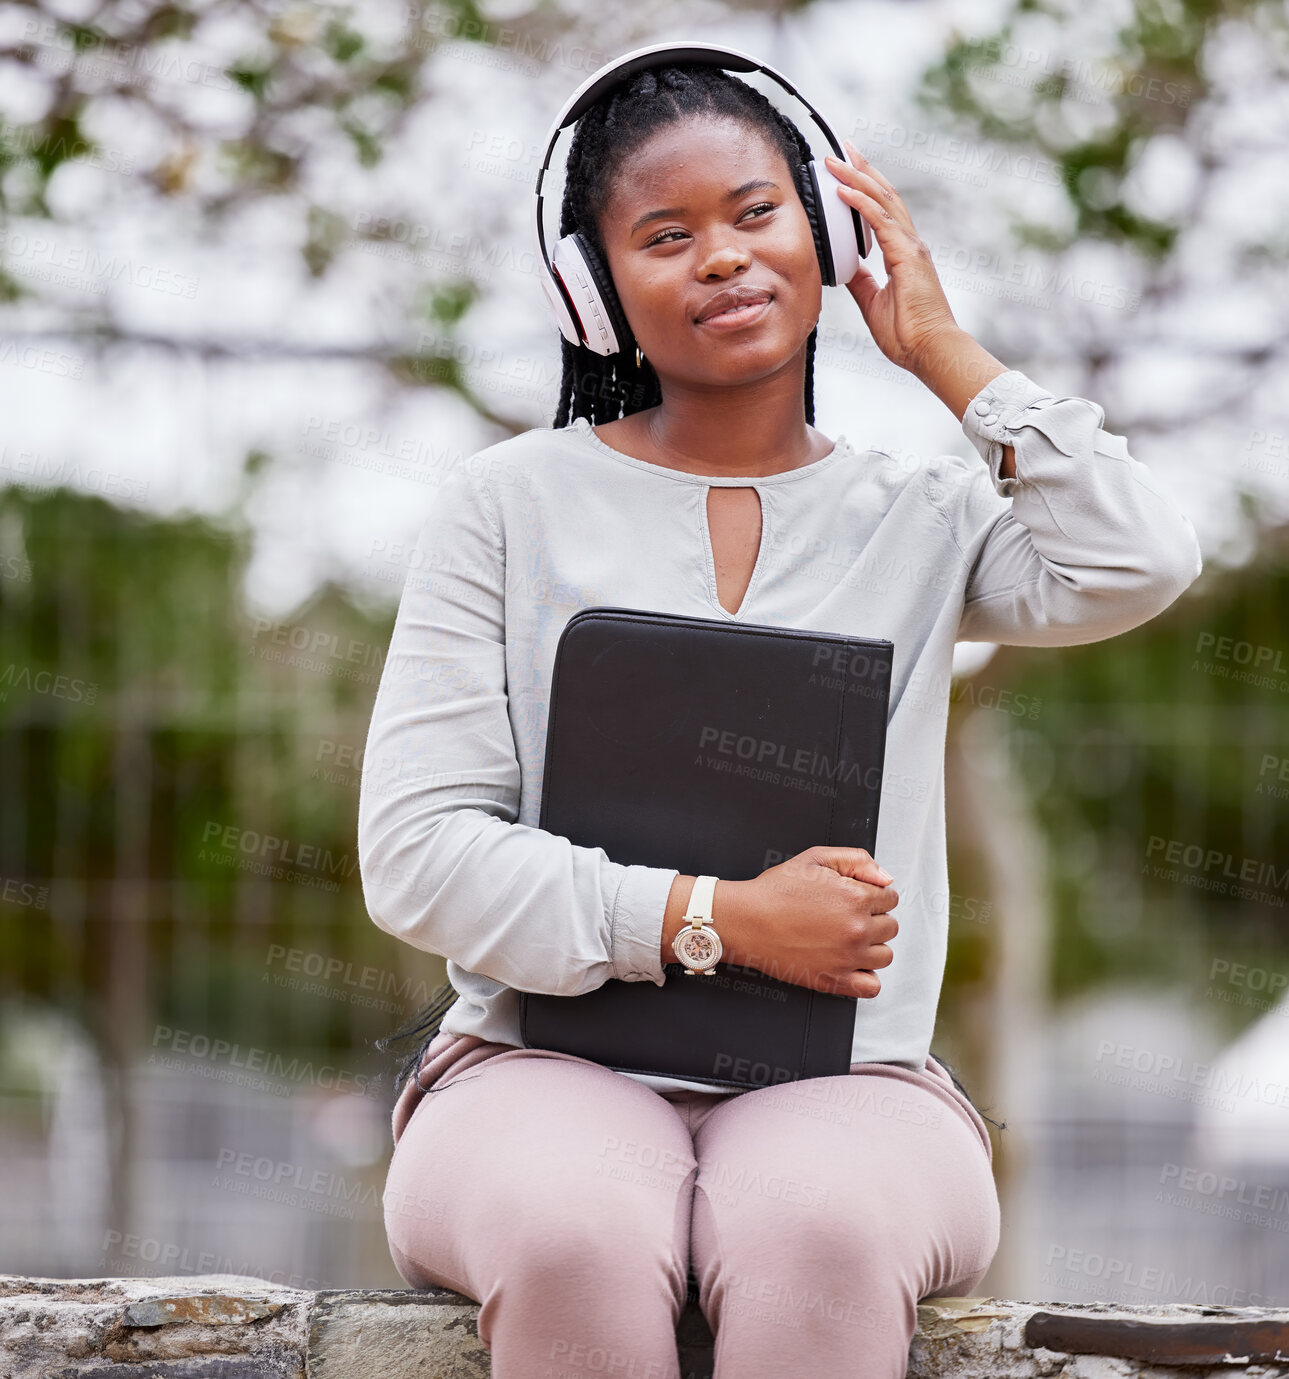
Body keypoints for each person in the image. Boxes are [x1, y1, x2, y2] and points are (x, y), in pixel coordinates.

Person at [357, 60, 1201, 1379]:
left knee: (814, 1233)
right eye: (665, 234)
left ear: (830, 228)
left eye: (757, 213)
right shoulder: (504, 505)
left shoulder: (924, 522)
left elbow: (1136, 561)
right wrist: (712, 918)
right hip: (531, 1069)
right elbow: (416, 857)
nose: (723, 259)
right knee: (578, 1233)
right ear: (594, 287)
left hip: (849, 1083)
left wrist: (943, 354)